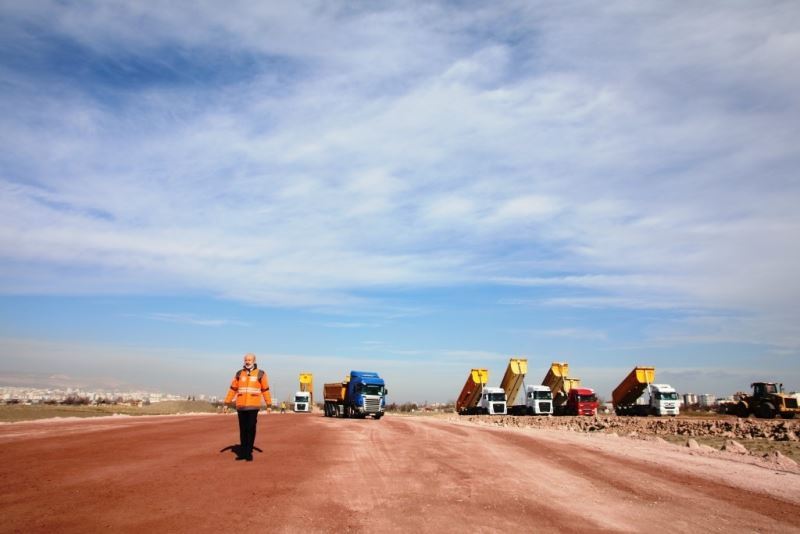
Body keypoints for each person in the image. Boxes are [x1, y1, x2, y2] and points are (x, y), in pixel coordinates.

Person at [224, 353, 271, 461]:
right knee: (243, 429)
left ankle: (249, 452)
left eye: (249, 360)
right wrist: (227, 403)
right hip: (241, 406)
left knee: (250, 428)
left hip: (253, 406)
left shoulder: (260, 374)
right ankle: (243, 452)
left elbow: (265, 389)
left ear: (254, 361)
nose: (247, 361)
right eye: (246, 360)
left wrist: (268, 404)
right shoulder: (239, 374)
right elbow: (232, 389)